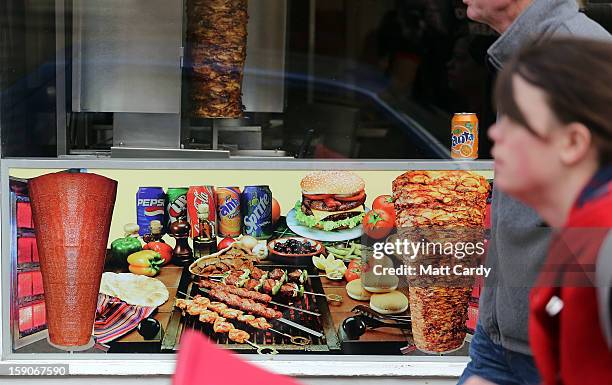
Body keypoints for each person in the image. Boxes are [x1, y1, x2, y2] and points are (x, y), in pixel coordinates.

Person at [458, 1, 611, 384]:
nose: (495, 139)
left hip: (551, 349)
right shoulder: (528, 54)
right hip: (502, 340)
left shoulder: (578, 53)